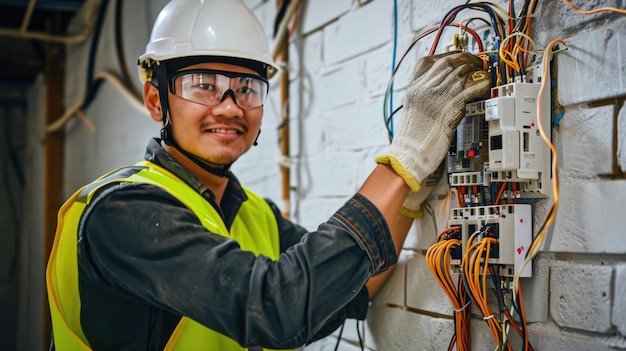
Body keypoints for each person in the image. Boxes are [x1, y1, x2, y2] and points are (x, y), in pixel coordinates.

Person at [46, 0, 490, 349]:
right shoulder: (122, 211)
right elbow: (278, 308)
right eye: (202, 83)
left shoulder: (254, 215)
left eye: (246, 88)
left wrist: (412, 192)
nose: (230, 106)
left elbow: (348, 286)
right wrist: (405, 156)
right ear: (157, 100)